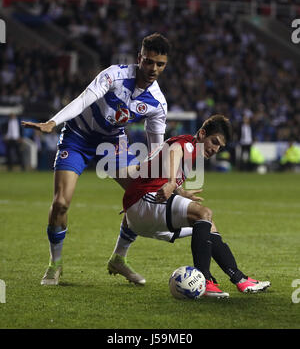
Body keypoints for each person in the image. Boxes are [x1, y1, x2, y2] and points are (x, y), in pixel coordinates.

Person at [21, 32, 171, 285]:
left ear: (165, 64)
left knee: (141, 194)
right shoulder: (114, 75)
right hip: (77, 137)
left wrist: (166, 182)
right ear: (139, 58)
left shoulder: (157, 103)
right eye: (148, 61)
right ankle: (54, 264)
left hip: (112, 143)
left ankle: (119, 258)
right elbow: (83, 100)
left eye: (160, 64)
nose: (153, 68)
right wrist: (53, 122)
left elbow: (156, 149)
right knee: (60, 203)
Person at [108, 115, 271, 297]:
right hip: (143, 204)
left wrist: (179, 190)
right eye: (214, 141)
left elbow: (153, 169)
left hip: (141, 213)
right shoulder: (188, 144)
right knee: (204, 213)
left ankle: (240, 279)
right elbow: (175, 150)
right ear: (202, 134)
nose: (215, 149)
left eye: (220, 146)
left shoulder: (191, 152)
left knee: (207, 225)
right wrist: (171, 183)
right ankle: (206, 281)